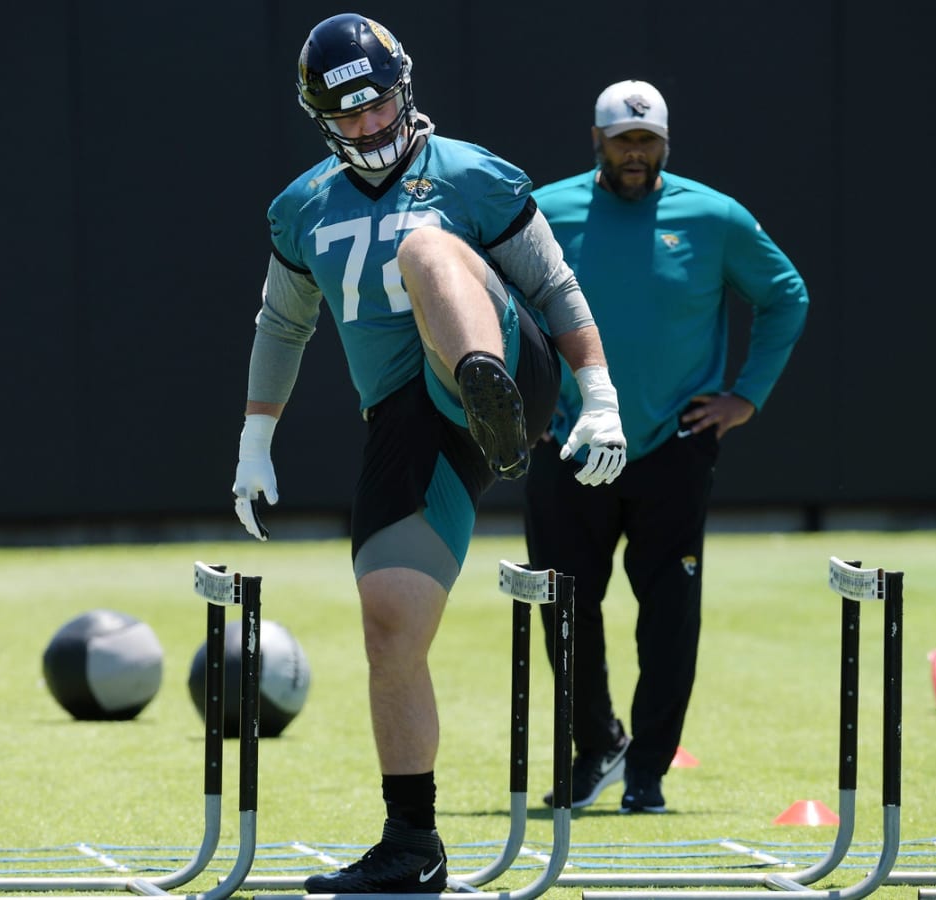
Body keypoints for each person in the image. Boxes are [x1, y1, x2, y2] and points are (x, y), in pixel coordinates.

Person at [229, 13, 627, 893]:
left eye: (379, 107)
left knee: (424, 245)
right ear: (321, 118)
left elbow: (556, 286)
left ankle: (479, 383)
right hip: (410, 421)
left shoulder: (473, 175)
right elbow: (281, 324)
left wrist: (598, 397)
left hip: (508, 375)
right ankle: (413, 843)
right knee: (390, 625)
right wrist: (256, 440)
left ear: (405, 91)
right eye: (349, 116)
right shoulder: (301, 207)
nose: (370, 127)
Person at [525, 79, 809, 814]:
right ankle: (597, 749)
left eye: (648, 141)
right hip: (571, 443)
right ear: (598, 139)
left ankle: (647, 770)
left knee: (671, 616)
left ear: (665, 144)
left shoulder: (714, 217)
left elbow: (785, 293)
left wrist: (746, 396)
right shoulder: (546, 211)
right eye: (623, 140)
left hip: (672, 449)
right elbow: (494, 298)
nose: (635, 154)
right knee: (563, 608)